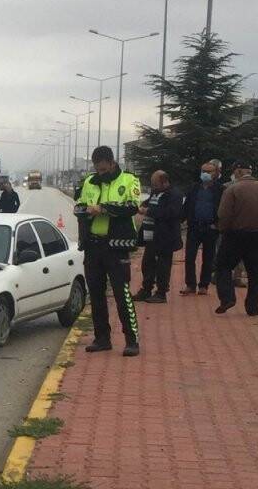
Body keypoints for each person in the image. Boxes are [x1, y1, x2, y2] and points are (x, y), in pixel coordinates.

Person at [75, 146, 141, 357]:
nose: (101, 173)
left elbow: (132, 206)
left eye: (104, 169)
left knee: (122, 294)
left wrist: (103, 208)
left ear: (112, 163)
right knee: (95, 294)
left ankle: (132, 340)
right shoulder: (89, 182)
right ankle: (102, 338)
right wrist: (85, 210)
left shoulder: (129, 180)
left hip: (116, 246)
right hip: (93, 246)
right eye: (98, 169)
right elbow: (79, 206)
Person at [214, 160, 258, 316]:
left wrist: (223, 229)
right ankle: (252, 307)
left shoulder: (232, 189)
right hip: (257, 235)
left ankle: (227, 297)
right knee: (254, 273)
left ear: (238, 172)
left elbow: (224, 214)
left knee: (223, 266)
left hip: (234, 235)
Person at [135, 170, 183, 304]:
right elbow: (150, 201)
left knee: (163, 265)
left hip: (165, 237)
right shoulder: (156, 192)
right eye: (152, 185)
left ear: (165, 182)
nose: (153, 187)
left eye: (155, 184)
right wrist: (143, 205)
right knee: (147, 264)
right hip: (151, 235)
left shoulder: (175, 195)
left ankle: (161, 293)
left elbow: (170, 213)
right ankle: (146, 289)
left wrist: (148, 211)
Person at [180, 159, 225, 295]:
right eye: (203, 171)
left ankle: (203, 285)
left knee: (208, 258)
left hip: (210, 228)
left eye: (208, 171)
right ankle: (190, 285)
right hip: (194, 227)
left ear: (215, 173)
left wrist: (218, 224)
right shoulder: (194, 188)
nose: (205, 174)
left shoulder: (220, 190)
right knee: (189, 257)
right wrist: (181, 220)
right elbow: (187, 206)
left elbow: (223, 209)